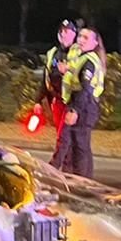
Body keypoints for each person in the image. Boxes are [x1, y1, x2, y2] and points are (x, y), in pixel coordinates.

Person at [51, 26, 105, 178]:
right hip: (80, 103)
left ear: (95, 43)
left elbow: (85, 89)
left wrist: (75, 110)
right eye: (80, 36)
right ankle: (80, 180)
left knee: (79, 147)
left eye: (86, 38)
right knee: (77, 146)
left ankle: (81, 183)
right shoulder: (82, 57)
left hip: (84, 106)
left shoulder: (89, 61)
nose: (81, 40)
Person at [41, 19, 78, 132]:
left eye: (67, 32)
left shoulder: (79, 52)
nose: (63, 34)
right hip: (58, 100)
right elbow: (46, 77)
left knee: (70, 137)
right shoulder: (53, 53)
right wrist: (38, 101)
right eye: (62, 31)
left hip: (73, 102)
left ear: (74, 34)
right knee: (61, 135)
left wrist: (68, 70)